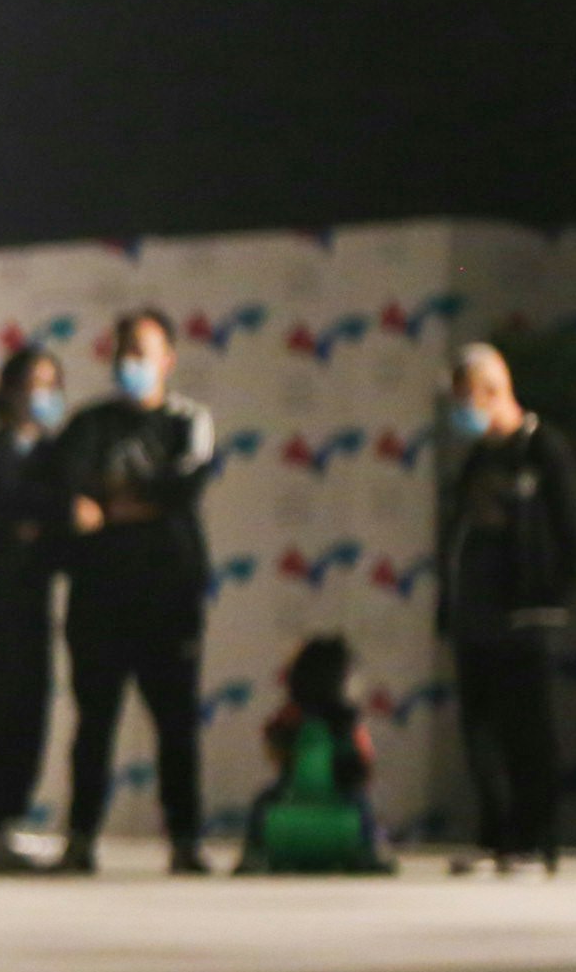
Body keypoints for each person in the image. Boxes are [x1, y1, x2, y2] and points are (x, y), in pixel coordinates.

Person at [46, 308, 222, 874]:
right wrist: (112, 504)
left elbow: (182, 484)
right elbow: (67, 490)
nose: (130, 364)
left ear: (168, 358)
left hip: (169, 600)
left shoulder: (189, 422)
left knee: (176, 725)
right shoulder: (88, 424)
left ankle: (186, 840)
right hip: (98, 599)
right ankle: (80, 839)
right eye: (122, 352)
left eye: (141, 353)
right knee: (93, 724)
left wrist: (112, 503)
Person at [437, 342, 576, 875]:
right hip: (474, 619)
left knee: (528, 733)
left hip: (526, 619)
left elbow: (574, 531)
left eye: (465, 400)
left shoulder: (544, 450)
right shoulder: (479, 458)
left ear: (492, 392)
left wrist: (544, 598)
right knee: (480, 733)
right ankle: (497, 839)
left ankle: (534, 841)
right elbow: (458, 534)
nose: (463, 412)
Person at [0, 346, 66, 874]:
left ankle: (10, 818)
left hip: (32, 599)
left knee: (29, 705)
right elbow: (7, 526)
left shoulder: (53, 455)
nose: (42, 396)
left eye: (52, 384)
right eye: (34, 384)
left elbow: (52, 526)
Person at [236, 634, 391, 874]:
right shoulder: (348, 722)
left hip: (290, 798)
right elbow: (364, 765)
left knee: (261, 803)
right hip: (341, 803)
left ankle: (252, 854)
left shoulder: (288, 717)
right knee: (363, 805)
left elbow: (274, 751)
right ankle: (368, 853)